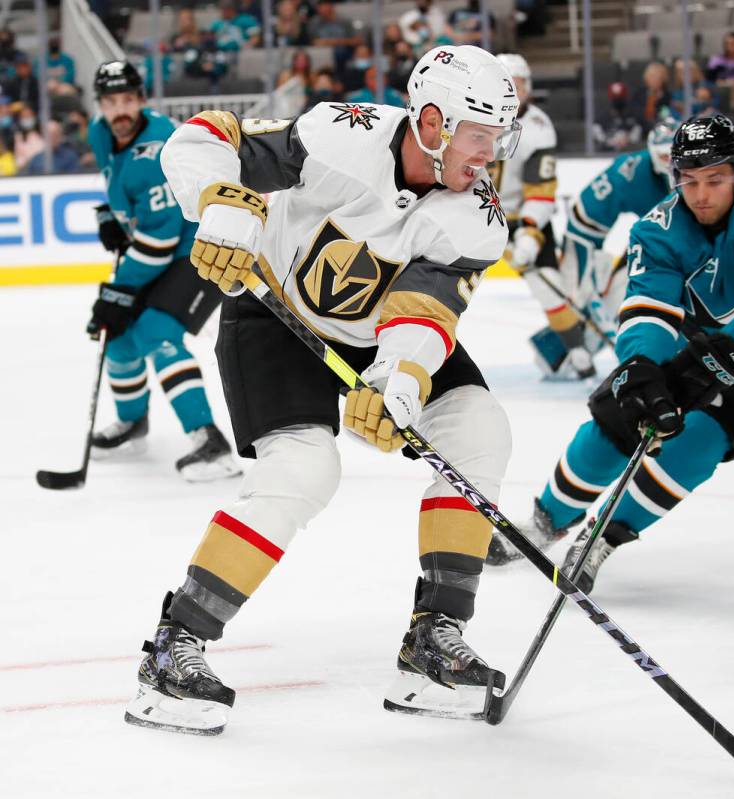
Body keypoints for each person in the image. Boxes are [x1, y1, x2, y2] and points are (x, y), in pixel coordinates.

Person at [123, 44, 522, 734]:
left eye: (498, 137)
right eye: (479, 135)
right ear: (431, 123)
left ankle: (432, 641)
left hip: (376, 337)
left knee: (477, 428)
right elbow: (208, 137)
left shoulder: (477, 214)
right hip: (272, 313)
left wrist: (399, 379)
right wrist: (220, 201)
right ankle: (174, 646)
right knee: (303, 470)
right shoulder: (343, 136)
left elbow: (426, 310)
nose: (491, 154)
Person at [488, 114, 734, 593]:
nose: (703, 194)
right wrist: (641, 363)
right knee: (615, 419)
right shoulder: (657, 229)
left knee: (698, 442)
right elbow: (649, 310)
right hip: (696, 349)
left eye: (715, 179)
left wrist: (717, 357)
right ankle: (545, 523)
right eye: (690, 181)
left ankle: (603, 536)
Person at [86, 61, 240, 482]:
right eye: (111, 102)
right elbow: (122, 192)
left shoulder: (155, 149)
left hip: (205, 249)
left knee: (155, 332)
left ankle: (209, 441)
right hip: (166, 250)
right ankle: (133, 423)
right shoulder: (100, 133)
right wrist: (110, 215)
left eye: (128, 101)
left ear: (141, 101)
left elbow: (160, 241)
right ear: (100, 104)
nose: (120, 110)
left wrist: (116, 293)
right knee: (117, 335)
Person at [513, 119, 676, 391]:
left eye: (673, 155)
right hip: (586, 233)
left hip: (655, 241)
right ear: (651, 152)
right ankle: (561, 354)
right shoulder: (633, 173)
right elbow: (590, 216)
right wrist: (589, 275)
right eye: (663, 156)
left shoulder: (690, 175)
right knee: (585, 298)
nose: (669, 161)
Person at [491, 53, 590, 379]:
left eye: (517, 85)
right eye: (505, 84)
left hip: (523, 216)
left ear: (528, 87)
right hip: (476, 212)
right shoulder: (472, 116)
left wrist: (529, 233)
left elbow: (541, 190)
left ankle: (576, 348)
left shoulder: (537, 127)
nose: (511, 92)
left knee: (549, 287)